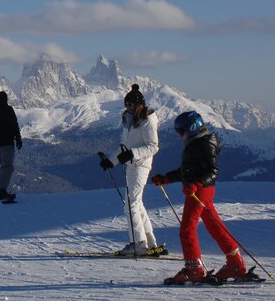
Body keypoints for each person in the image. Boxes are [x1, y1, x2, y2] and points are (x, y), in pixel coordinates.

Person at [151, 110, 248, 284]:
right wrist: (166, 178)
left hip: (199, 191)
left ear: (193, 128)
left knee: (187, 229)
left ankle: (194, 270)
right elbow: (189, 170)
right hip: (201, 190)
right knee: (215, 227)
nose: (181, 135)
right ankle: (235, 264)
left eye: (182, 131)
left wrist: (196, 185)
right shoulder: (197, 142)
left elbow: (213, 171)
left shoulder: (203, 144)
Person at [97, 84, 162, 256]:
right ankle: (149, 242)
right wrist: (111, 161)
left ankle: (138, 243)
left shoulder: (147, 121)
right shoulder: (128, 120)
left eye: (131, 105)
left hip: (141, 165)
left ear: (139, 105)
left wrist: (133, 154)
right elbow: (124, 147)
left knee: (131, 204)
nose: (128, 108)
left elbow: (153, 147)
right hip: (131, 165)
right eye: (126, 105)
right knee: (136, 203)